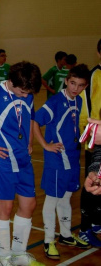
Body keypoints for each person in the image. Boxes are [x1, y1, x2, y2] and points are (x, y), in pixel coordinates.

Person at [0, 61, 44, 266]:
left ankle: (19, 253)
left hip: (23, 159)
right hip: (2, 160)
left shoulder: (28, 95)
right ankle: (4, 257)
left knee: (29, 204)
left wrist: (29, 141)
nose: (25, 95)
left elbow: (28, 118)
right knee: (6, 207)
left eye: (29, 92)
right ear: (10, 81)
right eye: (22, 91)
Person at [32, 64, 91, 260]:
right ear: (66, 81)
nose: (75, 88)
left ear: (85, 86)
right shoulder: (56, 101)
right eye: (72, 83)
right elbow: (35, 121)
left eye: (80, 85)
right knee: (52, 199)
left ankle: (65, 235)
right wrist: (45, 145)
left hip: (73, 158)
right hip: (57, 160)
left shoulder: (79, 101)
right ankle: (49, 240)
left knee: (66, 199)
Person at [79, 39, 101, 247]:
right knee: (92, 183)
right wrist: (90, 137)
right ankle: (85, 227)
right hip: (96, 141)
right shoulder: (94, 76)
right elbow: (87, 112)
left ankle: (96, 221)